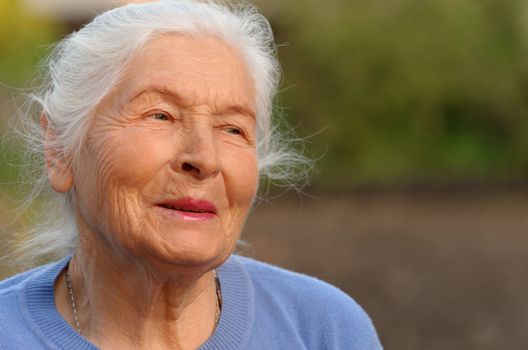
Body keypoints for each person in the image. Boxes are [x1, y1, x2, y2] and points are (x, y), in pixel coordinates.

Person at [0, 1, 382, 349]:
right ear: (59, 150)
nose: (205, 158)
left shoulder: (324, 330)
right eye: (160, 116)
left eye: (233, 129)